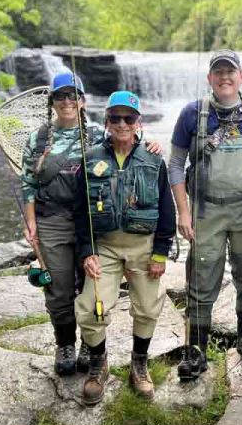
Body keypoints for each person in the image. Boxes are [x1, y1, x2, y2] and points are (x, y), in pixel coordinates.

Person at [168, 49, 242, 379]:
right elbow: (175, 166)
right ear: (209, 77)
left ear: (241, 77)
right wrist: (183, 212)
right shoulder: (191, 114)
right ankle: (196, 350)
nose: (225, 77)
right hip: (205, 211)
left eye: (231, 71)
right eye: (218, 72)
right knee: (200, 279)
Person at [74, 91, 176, 404]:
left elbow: (167, 211)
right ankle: (98, 364)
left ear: (137, 122)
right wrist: (86, 251)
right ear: (105, 122)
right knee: (92, 308)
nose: (121, 124)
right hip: (103, 247)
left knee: (147, 307)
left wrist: (160, 252)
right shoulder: (90, 159)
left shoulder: (154, 158)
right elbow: (80, 212)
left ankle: (139, 365)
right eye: (115, 118)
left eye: (128, 118)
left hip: (143, 246)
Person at [21, 71, 105, 377]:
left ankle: (88, 342)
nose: (67, 101)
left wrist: (152, 148)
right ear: (52, 102)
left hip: (90, 223)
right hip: (50, 221)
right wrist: (30, 224)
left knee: (89, 286)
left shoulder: (98, 135)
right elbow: (28, 184)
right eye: (61, 96)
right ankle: (65, 344)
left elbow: (126, 152)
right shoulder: (37, 139)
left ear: (82, 102)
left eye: (73, 96)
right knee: (58, 289)